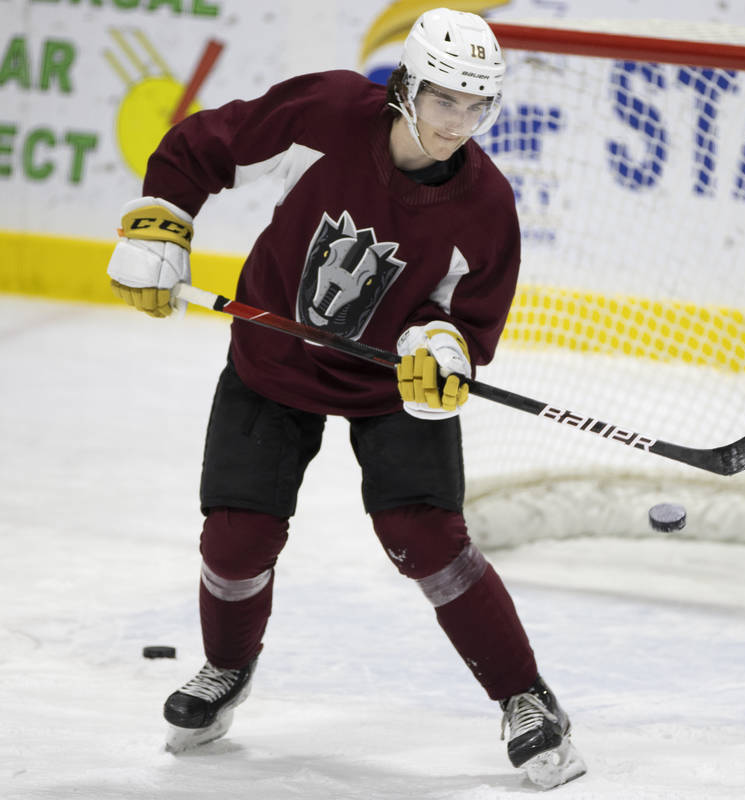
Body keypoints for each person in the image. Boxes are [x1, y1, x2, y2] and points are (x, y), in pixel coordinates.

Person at [104, 8, 584, 790]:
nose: (458, 123)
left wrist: (443, 347)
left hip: (387, 387)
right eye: (443, 100)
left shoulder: (486, 205)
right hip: (273, 360)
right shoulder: (324, 113)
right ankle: (226, 670)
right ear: (405, 87)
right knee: (235, 539)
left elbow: (472, 317)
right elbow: (205, 145)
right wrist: (164, 221)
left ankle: (527, 698)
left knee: (425, 541)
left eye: (476, 106)